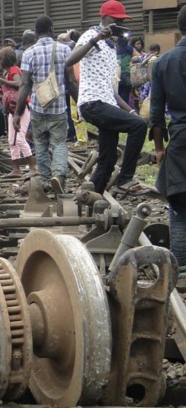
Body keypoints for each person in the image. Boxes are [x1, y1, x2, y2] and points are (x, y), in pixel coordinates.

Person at [66, 0, 149, 196]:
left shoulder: (113, 48)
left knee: (108, 159)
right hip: (93, 103)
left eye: (121, 21)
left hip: (106, 102)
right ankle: (125, 179)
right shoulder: (90, 35)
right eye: (115, 21)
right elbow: (70, 61)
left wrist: (129, 110)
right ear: (103, 19)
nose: (118, 25)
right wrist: (96, 38)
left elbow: (111, 89)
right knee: (138, 126)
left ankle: (92, 200)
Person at [14, 15, 73, 194]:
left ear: (35, 31)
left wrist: (18, 112)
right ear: (51, 28)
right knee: (59, 143)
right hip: (59, 107)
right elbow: (71, 81)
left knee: (40, 144)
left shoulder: (29, 53)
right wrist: (81, 104)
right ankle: (59, 176)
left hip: (38, 107)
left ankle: (47, 180)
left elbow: (25, 85)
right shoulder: (65, 50)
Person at [151, 5, 186, 275]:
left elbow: (156, 114)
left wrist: (160, 149)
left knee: (178, 203)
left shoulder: (163, 63)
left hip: (180, 141)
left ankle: (181, 267)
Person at [0, 47, 37, 178]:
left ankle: (33, 167)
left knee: (20, 138)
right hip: (12, 109)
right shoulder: (7, 72)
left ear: (3, 60)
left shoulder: (14, 69)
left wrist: (1, 81)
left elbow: (19, 83)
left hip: (21, 107)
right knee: (12, 140)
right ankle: (16, 169)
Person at [116, 36, 140, 106]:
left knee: (117, 97)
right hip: (127, 75)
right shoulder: (130, 49)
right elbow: (139, 57)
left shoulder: (114, 49)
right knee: (125, 98)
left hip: (116, 77)